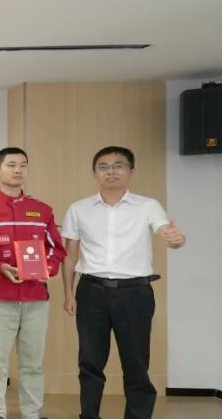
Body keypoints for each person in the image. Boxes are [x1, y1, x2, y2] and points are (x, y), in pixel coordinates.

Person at [61, 146, 186, 419]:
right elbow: (70, 256)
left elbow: (166, 231)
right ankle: (89, 415)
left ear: (131, 171)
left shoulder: (148, 206)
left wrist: (176, 240)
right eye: (104, 166)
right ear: (95, 173)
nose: (111, 171)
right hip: (91, 291)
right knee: (90, 361)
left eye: (119, 165)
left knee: (136, 363)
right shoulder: (78, 209)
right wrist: (69, 293)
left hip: (135, 293)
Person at [0, 147, 66, 419]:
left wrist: (48, 268)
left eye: (23, 165)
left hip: (35, 298)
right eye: (11, 165)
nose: (18, 170)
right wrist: (0, 267)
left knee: (33, 363)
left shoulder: (42, 210)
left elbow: (57, 250)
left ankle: (32, 413)